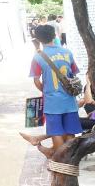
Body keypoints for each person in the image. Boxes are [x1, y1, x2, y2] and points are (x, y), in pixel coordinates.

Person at [19, 24, 82, 158]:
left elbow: (36, 81)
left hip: (52, 103)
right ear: (54, 35)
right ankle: (70, 159)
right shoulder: (67, 52)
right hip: (70, 101)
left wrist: (48, 91)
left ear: (38, 39)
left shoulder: (38, 57)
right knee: (70, 131)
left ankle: (61, 160)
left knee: (56, 132)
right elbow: (74, 74)